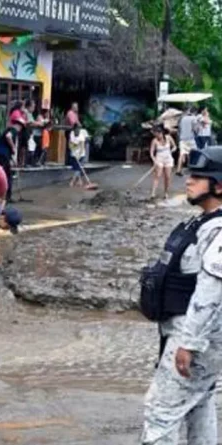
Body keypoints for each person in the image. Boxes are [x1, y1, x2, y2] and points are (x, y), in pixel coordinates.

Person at [140, 146, 222, 444]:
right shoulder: (203, 222)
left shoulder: (218, 230)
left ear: (219, 185)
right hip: (190, 333)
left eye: (199, 176)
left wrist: (189, 343)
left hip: (197, 338)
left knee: (160, 411)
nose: (188, 180)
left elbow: (211, 292)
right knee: (199, 405)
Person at [0, 118, 24, 202]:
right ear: (19, 126)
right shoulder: (12, 130)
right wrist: (13, 147)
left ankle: (5, 196)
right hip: (3, 156)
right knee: (6, 176)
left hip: (2, 155)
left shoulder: (8, 130)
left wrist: (12, 158)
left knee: (5, 175)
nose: (20, 130)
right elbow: (8, 136)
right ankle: (6, 196)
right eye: (21, 128)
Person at [150, 125, 178, 200]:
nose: (157, 136)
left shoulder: (168, 138)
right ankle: (153, 193)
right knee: (157, 176)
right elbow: (151, 153)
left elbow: (175, 146)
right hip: (159, 158)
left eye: (157, 134)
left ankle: (166, 193)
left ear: (161, 133)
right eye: (155, 135)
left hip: (168, 158)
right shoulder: (154, 141)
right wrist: (154, 160)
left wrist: (172, 151)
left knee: (167, 177)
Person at [176, 107, 198, 175]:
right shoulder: (193, 118)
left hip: (182, 139)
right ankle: (191, 168)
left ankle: (178, 170)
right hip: (190, 138)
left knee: (182, 154)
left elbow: (179, 128)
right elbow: (195, 128)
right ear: (195, 112)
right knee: (194, 153)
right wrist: (197, 131)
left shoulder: (182, 118)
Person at [67, 124, 89, 188]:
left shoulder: (81, 136)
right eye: (76, 129)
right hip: (73, 154)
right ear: (74, 129)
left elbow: (82, 147)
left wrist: (79, 155)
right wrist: (72, 147)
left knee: (77, 169)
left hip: (80, 154)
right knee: (76, 168)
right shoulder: (71, 134)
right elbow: (70, 144)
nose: (78, 131)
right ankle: (80, 181)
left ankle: (72, 181)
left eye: (79, 129)